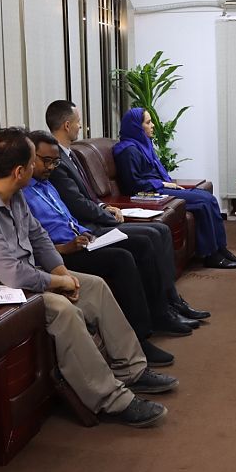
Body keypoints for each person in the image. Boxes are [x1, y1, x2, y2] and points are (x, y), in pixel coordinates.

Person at [0, 127, 178, 427]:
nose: (38, 167)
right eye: (33, 161)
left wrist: (62, 272)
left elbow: (38, 237)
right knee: (62, 310)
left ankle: (132, 370)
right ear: (19, 171)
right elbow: (12, 274)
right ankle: (111, 400)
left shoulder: (13, 195)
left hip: (22, 282)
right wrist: (57, 283)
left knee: (94, 286)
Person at [23, 130, 193, 366]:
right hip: (64, 252)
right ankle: (140, 337)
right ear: (30, 158)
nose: (51, 167)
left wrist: (83, 232)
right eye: (46, 161)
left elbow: (67, 217)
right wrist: (65, 247)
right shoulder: (23, 193)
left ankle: (161, 312)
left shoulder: (47, 185)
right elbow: (35, 241)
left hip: (83, 238)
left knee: (144, 242)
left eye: (55, 162)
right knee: (121, 259)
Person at [45, 100, 214, 319]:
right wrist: (108, 215)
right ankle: (163, 311)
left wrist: (105, 206)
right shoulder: (57, 162)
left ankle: (172, 301)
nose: (81, 126)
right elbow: (77, 204)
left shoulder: (71, 155)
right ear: (67, 125)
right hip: (87, 228)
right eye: (78, 121)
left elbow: (88, 197)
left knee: (161, 230)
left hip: (96, 217)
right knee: (150, 236)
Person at [113, 107, 236, 269]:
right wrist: (163, 184)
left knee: (209, 198)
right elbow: (132, 185)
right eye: (148, 122)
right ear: (136, 127)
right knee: (203, 202)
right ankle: (211, 255)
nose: (153, 125)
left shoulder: (142, 145)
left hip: (158, 189)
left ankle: (221, 248)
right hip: (150, 193)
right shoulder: (127, 151)